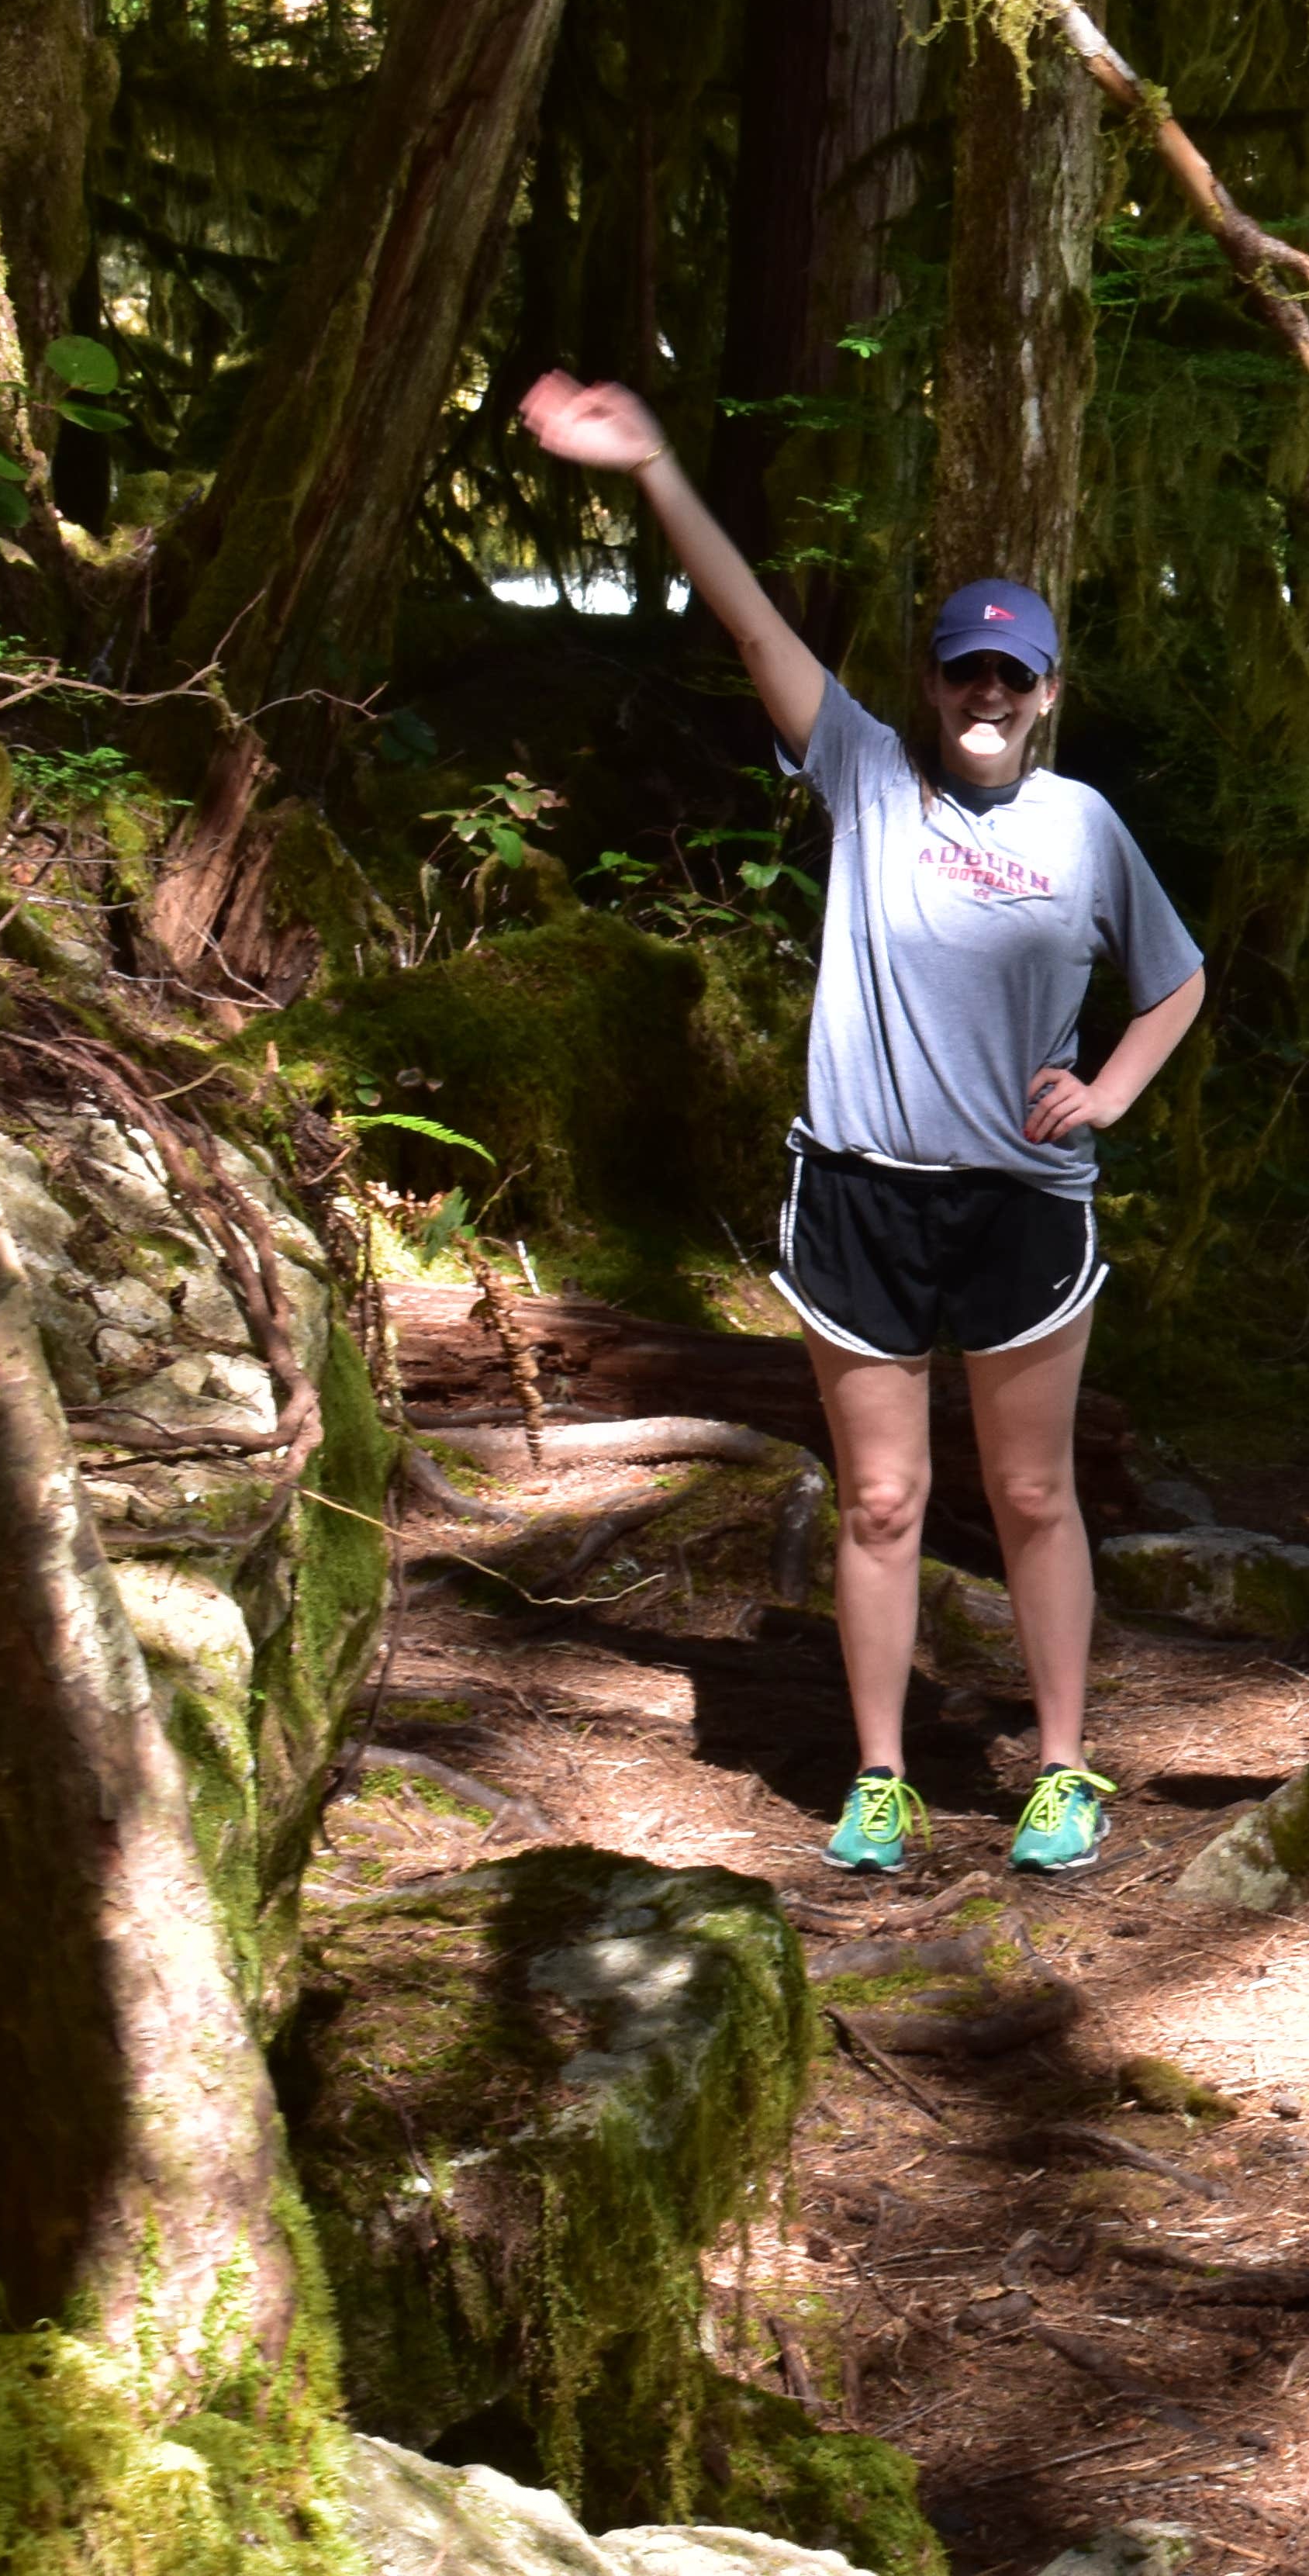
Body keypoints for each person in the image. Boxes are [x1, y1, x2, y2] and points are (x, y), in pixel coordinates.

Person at [513, 373, 1207, 1878]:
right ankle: (883, 1775)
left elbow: (1178, 978)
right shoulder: (869, 776)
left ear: (1047, 692)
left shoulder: (1084, 826)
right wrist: (655, 472)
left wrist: (1113, 1089)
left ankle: (1065, 1768)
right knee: (884, 1494)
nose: (983, 698)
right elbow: (756, 625)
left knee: (1031, 1489)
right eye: (963, 673)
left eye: (1009, 680)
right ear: (933, 677)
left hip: (1024, 1200)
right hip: (859, 1195)